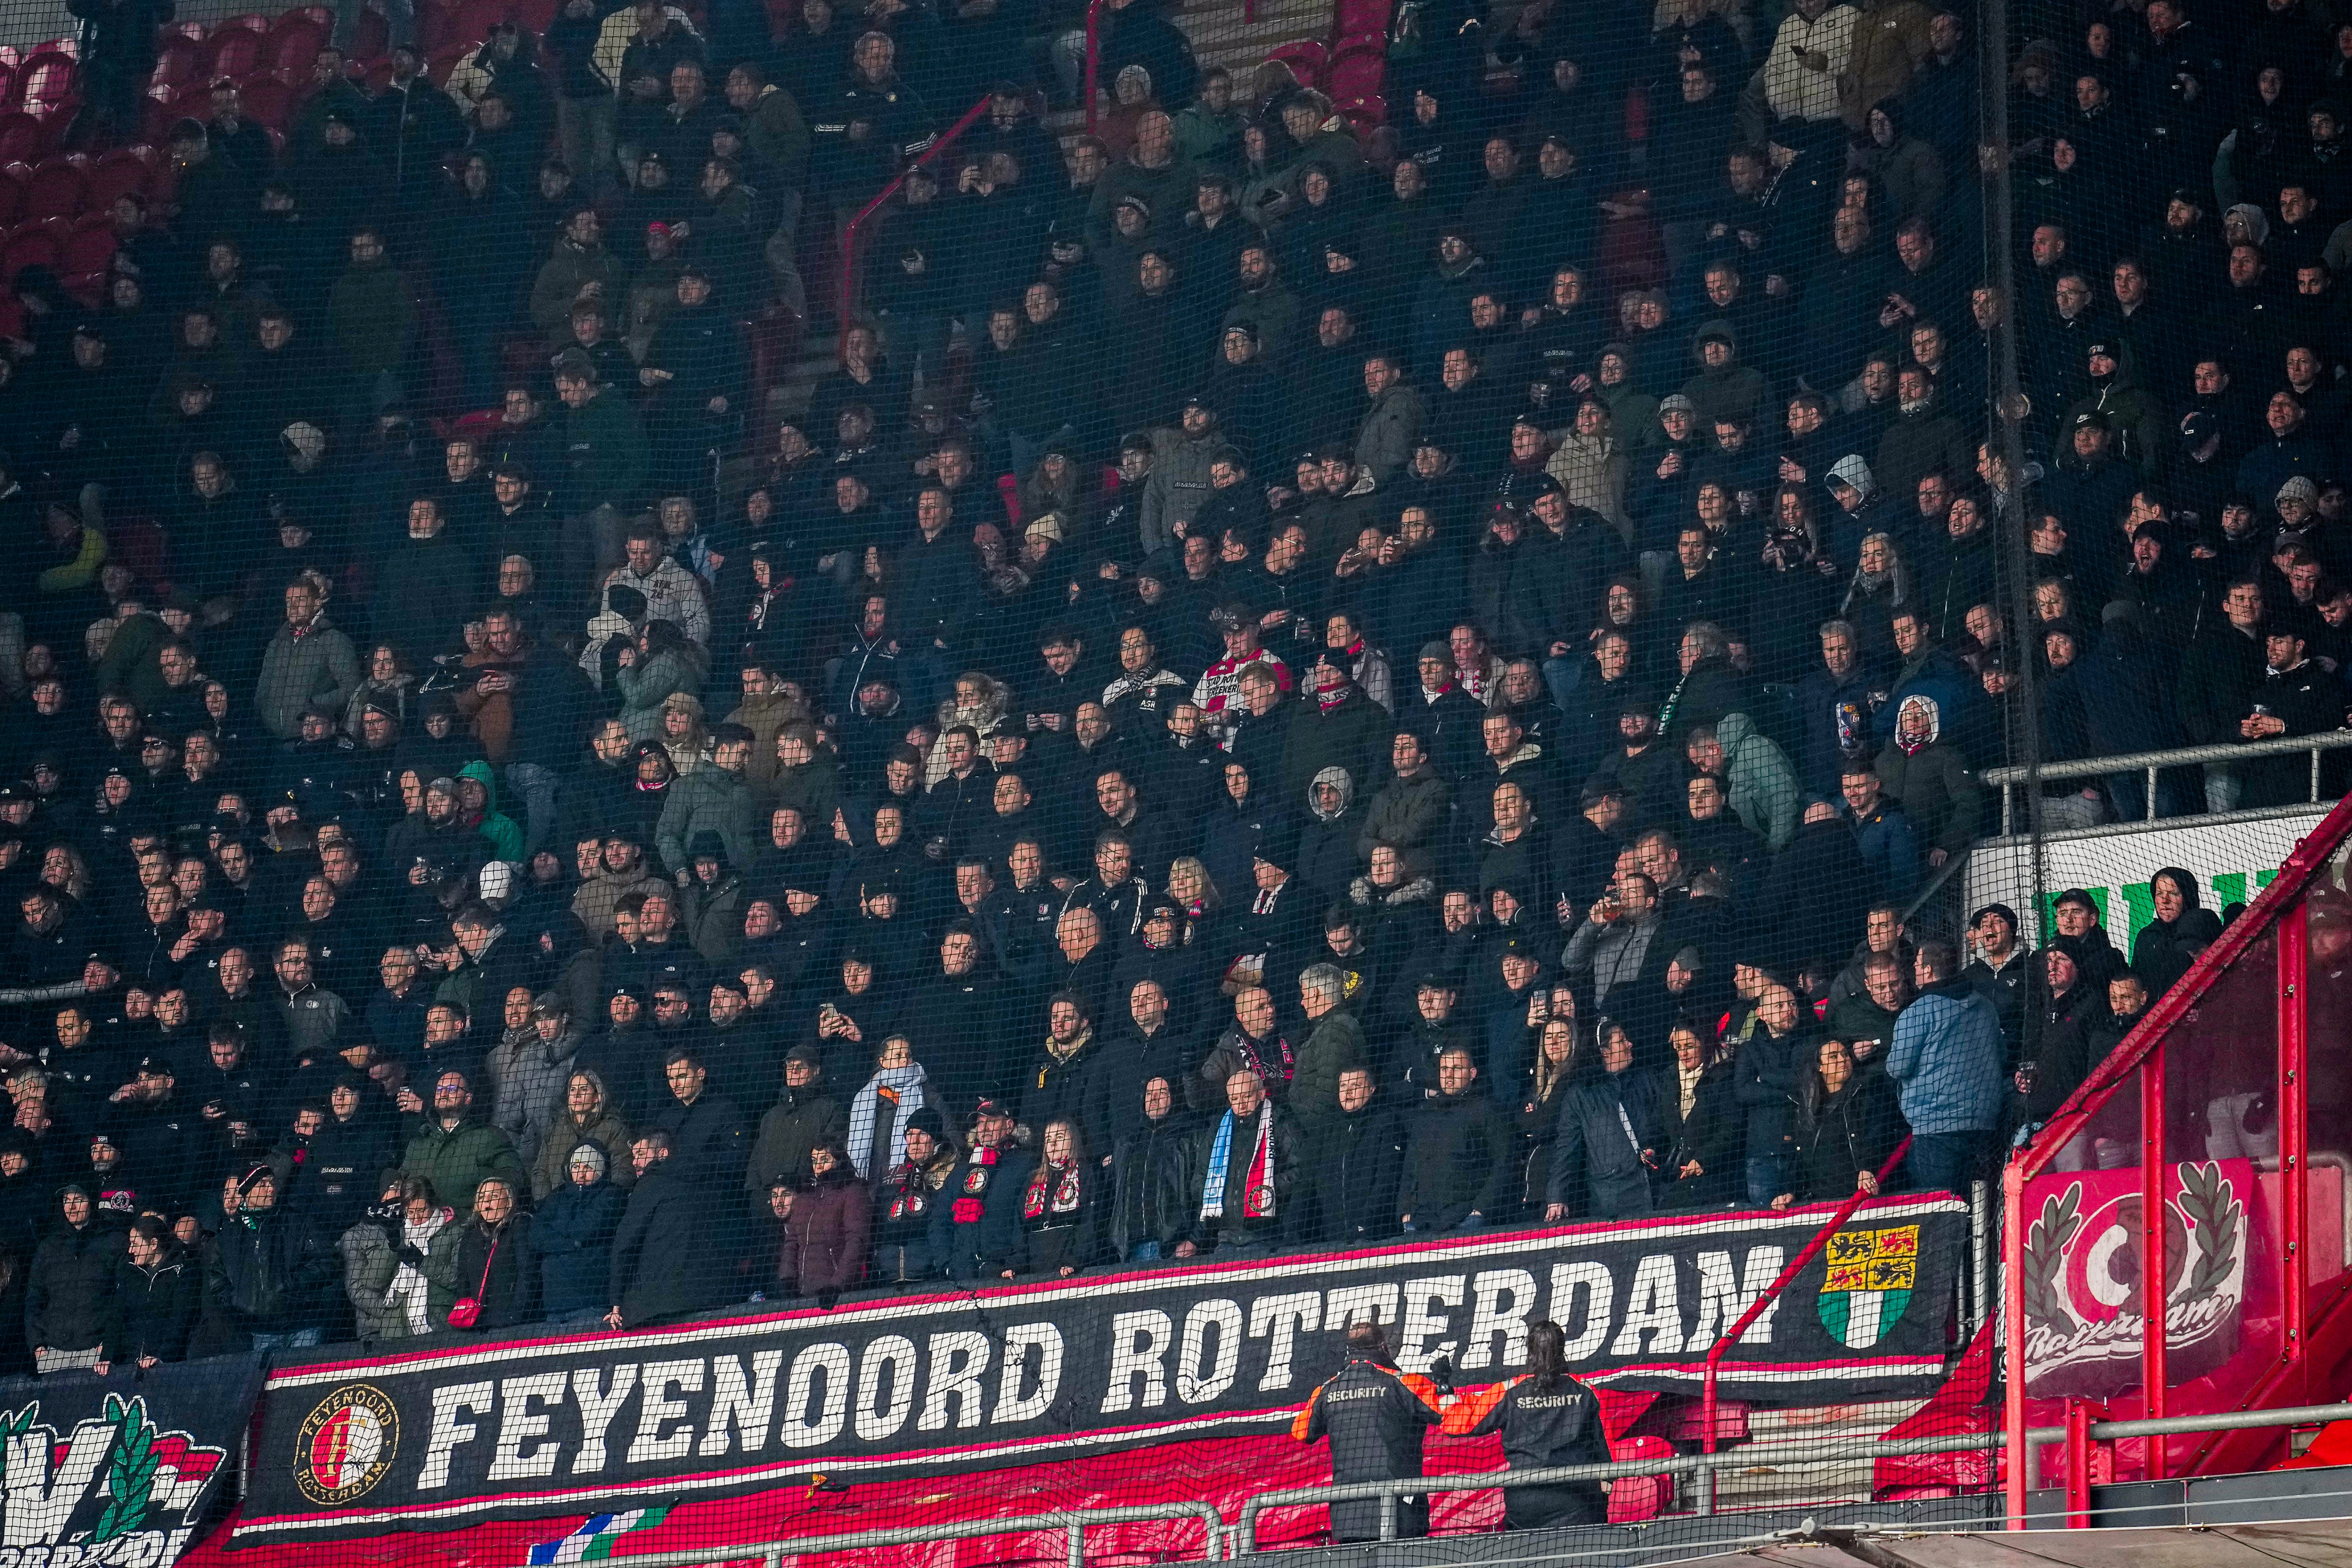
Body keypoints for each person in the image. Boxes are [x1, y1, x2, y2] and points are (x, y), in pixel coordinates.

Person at [1439, 1319, 1611, 1528]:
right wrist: (1606, 1483)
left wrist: (1444, 1389)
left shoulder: (1510, 1392)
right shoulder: (1584, 1390)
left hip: (1526, 1500)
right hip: (1577, 1498)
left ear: (1530, 1353)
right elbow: (1603, 1448)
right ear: (1562, 1349)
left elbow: (1458, 1424)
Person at [1292, 1316, 1447, 1542]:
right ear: (1383, 1346)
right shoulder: (1406, 1382)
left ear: (1349, 1350)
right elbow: (1451, 1416)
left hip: (1348, 1516)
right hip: (1402, 1512)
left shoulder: (1326, 1389)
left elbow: (1301, 1433)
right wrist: (1444, 1385)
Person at [1886, 940, 2003, 1193]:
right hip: (1986, 1127)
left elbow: (1897, 1067)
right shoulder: (1986, 1006)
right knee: (1982, 1212)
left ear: (1928, 970)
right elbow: (2000, 1056)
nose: (1914, 970)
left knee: (1942, 1215)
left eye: (1917, 964)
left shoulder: (1917, 1012)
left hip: (1937, 1130)